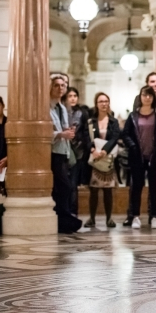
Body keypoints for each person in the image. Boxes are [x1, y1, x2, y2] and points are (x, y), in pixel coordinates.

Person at [122, 86, 156, 229]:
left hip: (154, 156)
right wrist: (133, 146)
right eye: (144, 95)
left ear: (153, 98)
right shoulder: (133, 116)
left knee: (154, 187)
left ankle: (154, 216)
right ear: (140, 97)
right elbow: (125, 134)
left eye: (150, 95)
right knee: (136, 186)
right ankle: (135, 216)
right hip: (137, 156)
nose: (147, 98)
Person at [50, 77, 83, 234]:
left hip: (63, 151)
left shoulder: (62, 107)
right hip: (53, 152)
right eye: (56, 85)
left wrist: (68, 133)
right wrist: (61, 134)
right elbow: (41, 131)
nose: (60, 88)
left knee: (64, 187)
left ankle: (63, 219)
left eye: (63, 85)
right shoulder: (46, 107)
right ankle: (62, 218)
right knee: (65, 186)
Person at [83, 93, 120, 228]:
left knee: (108, 191)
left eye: (106, 101)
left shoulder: (113, 121)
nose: (104, 103)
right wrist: (93, 150)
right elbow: (86, 137)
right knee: (93, 190)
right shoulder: (90, 121)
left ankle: (109, 218)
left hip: (107, 158)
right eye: (101, 101)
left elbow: (115, 137)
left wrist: (104, 151)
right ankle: (92, 218)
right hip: (95, 159)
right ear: (96, 104)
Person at [63, 87, 90, 216]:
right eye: (70, 96)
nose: (73, 98)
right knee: (64, 183)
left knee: (73, 184)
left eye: (75, 95)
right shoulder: (62, 111)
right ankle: (64, 211)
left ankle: (73, 213)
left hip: (78, 151)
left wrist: (86, 148)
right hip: (63, 150)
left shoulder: (82, 113)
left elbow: (85, 132)